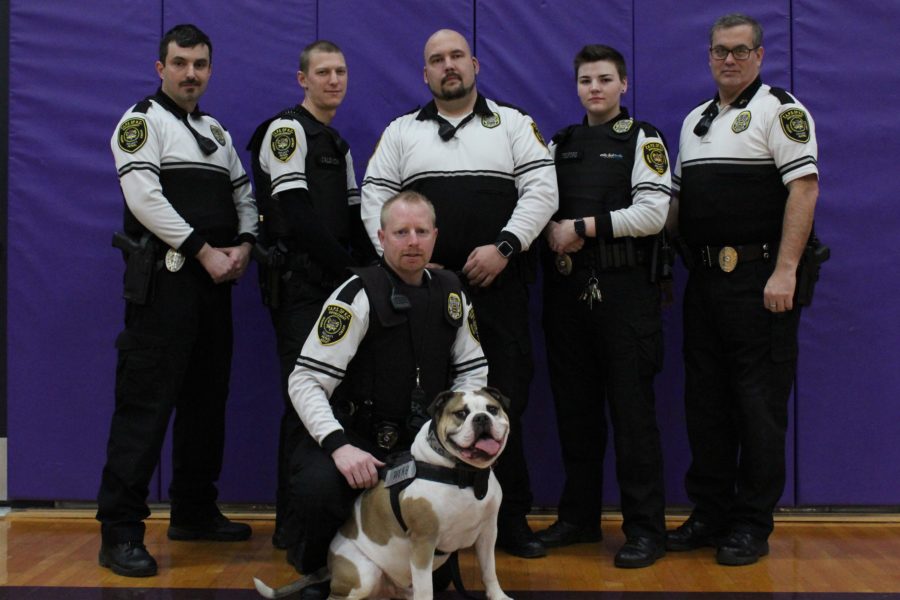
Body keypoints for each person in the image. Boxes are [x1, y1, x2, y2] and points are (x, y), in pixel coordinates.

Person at [360, 29, 558, 559]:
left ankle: (508, 522)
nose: (448, 67)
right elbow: (375, 198)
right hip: (425, 300)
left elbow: (543, 189)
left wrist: (506, 247)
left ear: (474, 64)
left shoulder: (513, 124)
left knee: (499, 402)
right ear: (424, 74)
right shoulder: (402, 132)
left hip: (500, 289)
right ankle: (422, 526)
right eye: (435, 60)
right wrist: (413, 260)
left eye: (456, 57)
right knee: (428, 407)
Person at [98, 24, 258, 577]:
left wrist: (243, 244)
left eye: (201, 64)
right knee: (144, 410)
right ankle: (119, 532)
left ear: (210, 70)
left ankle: (193, 511)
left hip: (214, 290)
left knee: (205, 405)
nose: (191, 73)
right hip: (164, 289)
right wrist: (202, 251)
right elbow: (144, 198)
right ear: (160, 67)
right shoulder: (142, 122)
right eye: (181, 62)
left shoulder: (215, 131)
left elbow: (243, 192)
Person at [667, 13, 819, 566]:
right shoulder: (694, 122)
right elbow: (678, 206)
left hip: (760, 282)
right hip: (704, 282)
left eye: (739, 50)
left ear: (758, 55)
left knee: (757, 408)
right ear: (708, 57)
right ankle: (710, 513)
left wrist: (786, 270)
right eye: (719, 51)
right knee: (705, 405)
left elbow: (804, 189)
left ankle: (752, 523)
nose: (728, 60)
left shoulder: (781, 110)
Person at [286, 191, 488, 598]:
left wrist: (456, 432)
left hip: (421, 446)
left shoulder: (452, 293)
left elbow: (472, 369)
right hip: (357, 439)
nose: (412, 240)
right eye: (401, 232)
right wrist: (339, 446)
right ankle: (318, 571)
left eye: (421, 231)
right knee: (318, 489)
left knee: (439, 578)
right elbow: (305, 379)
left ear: (434, 236)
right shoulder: (355, 294)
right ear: (381, 236)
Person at [535, 45, 671, 568]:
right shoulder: (561, 142)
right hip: (568, 294)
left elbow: (654, 212)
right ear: (576, 87)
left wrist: (583, 228)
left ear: (624, 85)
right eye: (586, 80)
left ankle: (645, 530)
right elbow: (539, 203)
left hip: (624, 293)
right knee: (576, 413)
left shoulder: (644, 139)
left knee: (633, 417)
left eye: (605, 79)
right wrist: (548, 228)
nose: (595, 88)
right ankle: (578, 518)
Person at [248, 40, 376, 551]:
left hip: (334, 287)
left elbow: (351, 218)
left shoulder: (336, 143)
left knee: (336, 402)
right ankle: (292, 528)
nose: (333, 80)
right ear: (302, 78)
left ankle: (325, 521)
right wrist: (352, 270)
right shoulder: (287, 131)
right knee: (305, 403)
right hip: (301, 286)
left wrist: (377, 269)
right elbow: (297, 214)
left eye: (341, 71)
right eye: (322, 72)